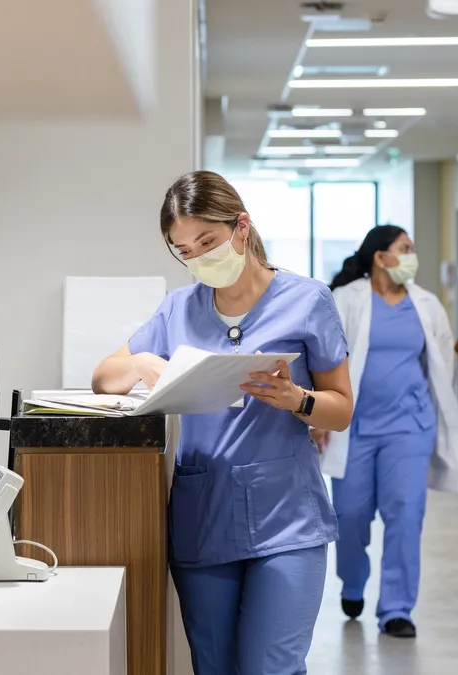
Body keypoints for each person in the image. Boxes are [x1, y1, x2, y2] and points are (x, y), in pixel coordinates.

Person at [92, 170, 353, 674]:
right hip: (203, 514)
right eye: (183, 251)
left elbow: (340, 408)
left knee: (272, 667)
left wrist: (297, 399)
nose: (198, 258)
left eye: (207, 241)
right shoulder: (177, 311)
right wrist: (144, 365)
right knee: (213, 666)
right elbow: (104, 376)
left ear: (241, 227)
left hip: (287, 518)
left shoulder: (307, 300)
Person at [314, 225, 458, 639]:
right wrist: (318, 413)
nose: (411, 256)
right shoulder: (346, 299)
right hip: (356, 428)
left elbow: (441, 362)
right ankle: (353, 583)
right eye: (404, 249)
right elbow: (321, 357)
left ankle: (396, 609)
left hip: (409, 427)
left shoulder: (425, 304)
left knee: (405, 513)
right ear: (380, 257)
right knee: (350, 516)